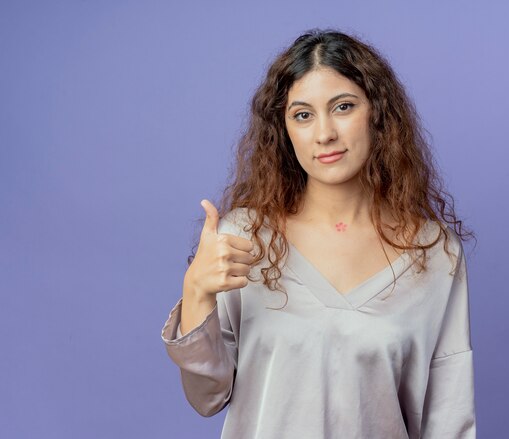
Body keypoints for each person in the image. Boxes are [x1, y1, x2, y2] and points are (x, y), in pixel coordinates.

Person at [161, 28, 477, 438]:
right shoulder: (245, 238)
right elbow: (206, 397)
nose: (324, 133)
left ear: (378, 114)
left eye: (343, 107)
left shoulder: (434, 254)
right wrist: (196, 293)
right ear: (284, 129)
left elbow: (449, 417)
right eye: (303, 114)